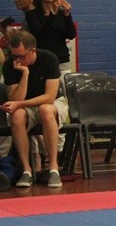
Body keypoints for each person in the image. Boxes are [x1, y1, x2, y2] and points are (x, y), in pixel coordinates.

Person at [1, 31, 69, 188]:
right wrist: (25, 74)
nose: (17, 60)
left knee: (46, 110)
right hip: (26, 107)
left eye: (21, 56)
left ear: (32, 50)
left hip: (53, 103)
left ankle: (53, 167)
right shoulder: (10, 65)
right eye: (14, 56)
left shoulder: (49, 58)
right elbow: (15, 99)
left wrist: (20, 104)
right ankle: (27, 170)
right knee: (16, 116)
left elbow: (49, 97)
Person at [25, 0, 76, 74]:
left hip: (62, 60)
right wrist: (53, 13)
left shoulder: (61, 14)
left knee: (64, 83)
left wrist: (67, 15)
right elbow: (41, 34)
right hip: (42, 61)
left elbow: (71, 35)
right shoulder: (32, 14)